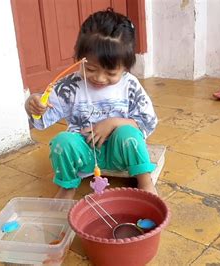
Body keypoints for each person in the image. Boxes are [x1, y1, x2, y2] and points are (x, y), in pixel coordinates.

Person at [25, 9, 158, 199]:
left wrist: (114, 122)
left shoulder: (129, 85)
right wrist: (34, 104)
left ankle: (145, 182)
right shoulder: (69, 87)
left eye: (111, 73)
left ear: (126, 67)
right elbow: (41, 119)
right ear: (79, 58)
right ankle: (68, 185)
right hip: (84, 154)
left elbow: (147, 121)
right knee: (61, 141)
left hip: (118, 152)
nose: (100, 78)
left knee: (128, 133)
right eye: (90, 69)